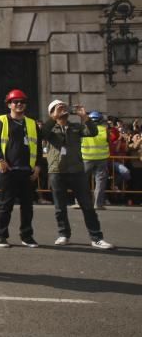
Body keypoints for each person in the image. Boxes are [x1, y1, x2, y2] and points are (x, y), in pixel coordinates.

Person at [39, 100, 114, 249]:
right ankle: (63, 234)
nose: (62, 109)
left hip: (77, 171)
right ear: (52, 112)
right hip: (57, 171)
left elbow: (92, 132)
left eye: (64, 107)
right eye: (58, 108)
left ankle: (96, 237)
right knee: (60, 207)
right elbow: (42, 134)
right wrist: (53, 118)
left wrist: (85, 117)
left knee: (87, 205)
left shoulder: (75, 127)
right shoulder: (50, 128)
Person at [0, 89, 43, 248]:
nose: (19, 104)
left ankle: (27, 236)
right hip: (8, 170)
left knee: (28, 206)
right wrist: (0, 160)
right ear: (9, 104)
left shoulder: (32, 123)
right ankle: (1, 235)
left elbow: (38, 147)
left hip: (27, 170)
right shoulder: (2, 120)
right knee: (6, 204)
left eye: (22, 102)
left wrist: (38, 166)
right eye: (15, 102)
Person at [81, 110, 110, 210]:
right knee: (100, 182)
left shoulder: (85, 128)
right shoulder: (105, 130)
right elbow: (108, 141)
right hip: (101, 159)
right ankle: (98, 204)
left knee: (82, 181)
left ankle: (80, 202)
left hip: (86, 158)